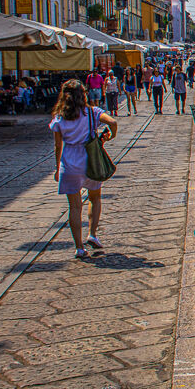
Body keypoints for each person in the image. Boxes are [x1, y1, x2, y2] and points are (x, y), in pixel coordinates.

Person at [50, 79, 116, 259]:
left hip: (69, 163)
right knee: (94, 197)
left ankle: (79, 247)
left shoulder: (59, 117)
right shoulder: (92, 113)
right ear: (83, 94)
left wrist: (57, 169)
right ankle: (92, 234)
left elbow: (58, 146)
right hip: (89, 161)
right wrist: (111, 135)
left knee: (74, 206)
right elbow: (112, 121)